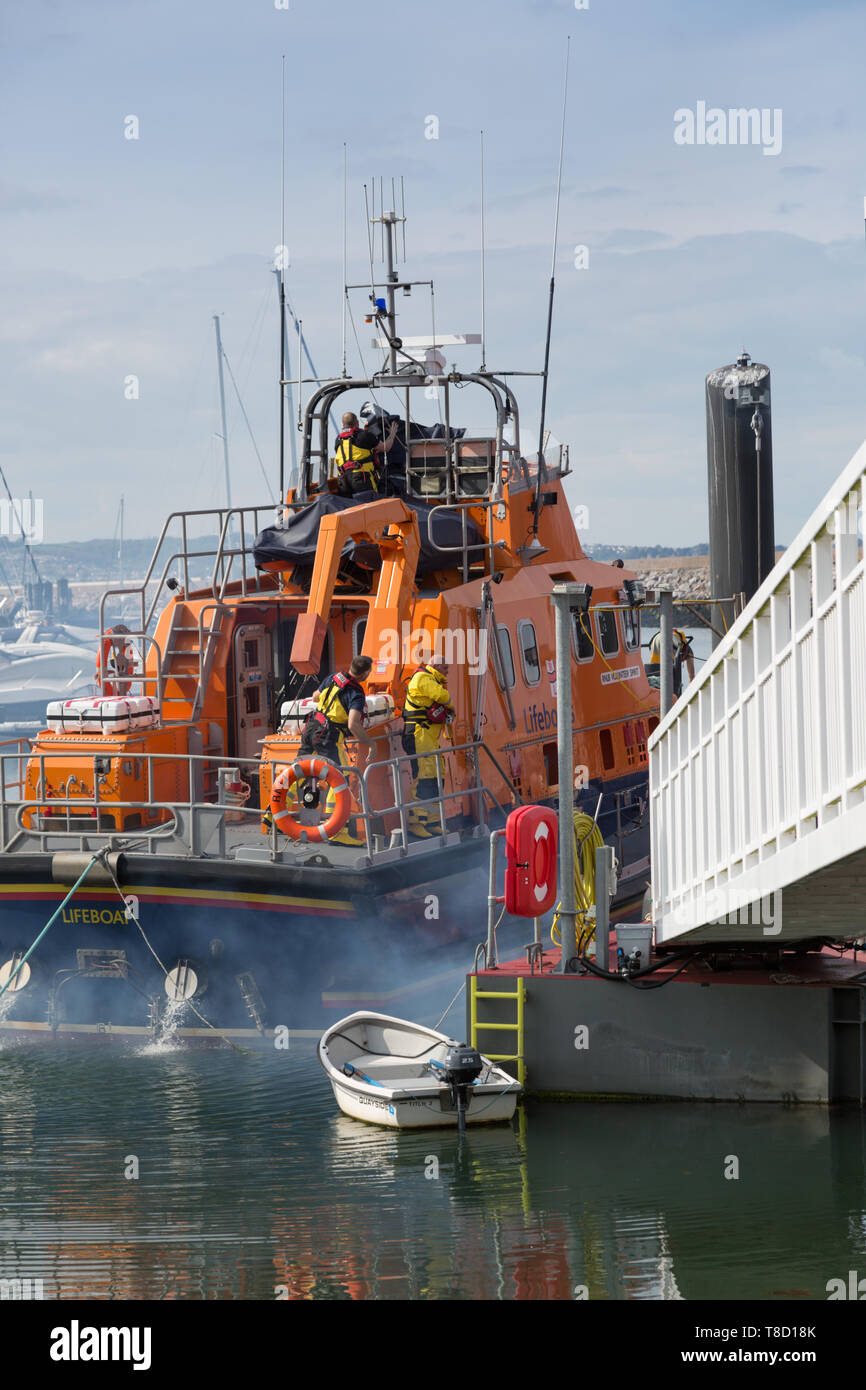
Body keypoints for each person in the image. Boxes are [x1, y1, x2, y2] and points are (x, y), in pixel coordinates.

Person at [297, 654, 375, 845]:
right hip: (330, 738)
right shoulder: (356, 693)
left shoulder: (333, 677)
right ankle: (336, 831)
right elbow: (353, 725)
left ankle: (271, 816)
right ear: (365, 673)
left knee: (298, 772)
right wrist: (371, 743)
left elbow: (316, 696)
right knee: (339, 780)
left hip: (312, 729)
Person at [400, 656, 455, 839]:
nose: (447, 670)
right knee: (423, 778)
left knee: (435, 778)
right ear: (434, 666)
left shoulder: (432, 680)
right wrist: (451, 707)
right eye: (444, 667)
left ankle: (432, 821)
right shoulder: (423, 678)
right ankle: (416, 823)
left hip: (428, 739)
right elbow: (442, 696)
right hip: (418, 735)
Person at [332, 411, 398, 498]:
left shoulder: (338, 440)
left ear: (343, 425)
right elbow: (386, 447)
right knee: (371, 504)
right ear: (357, 422)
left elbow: (353, 451)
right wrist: (392, 433)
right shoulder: (365, 435)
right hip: (361, 478)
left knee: (349, 506)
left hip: (343, 481)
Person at [646, 628, 695, 697]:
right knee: (671, 676)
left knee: (658, 672)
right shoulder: (689, 653)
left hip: (656, 639)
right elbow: (691, 676)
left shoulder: (683, 648)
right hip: (670, 640)